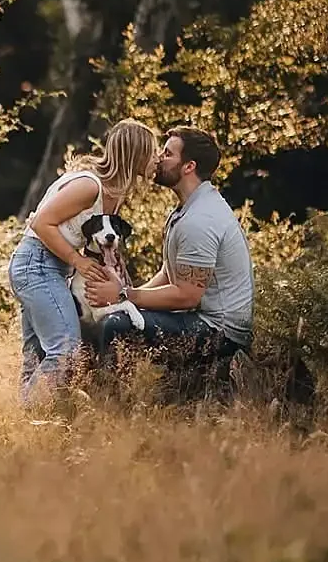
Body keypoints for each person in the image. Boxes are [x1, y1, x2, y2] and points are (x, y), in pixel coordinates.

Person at [81, 125, 253, 394]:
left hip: (218, 331)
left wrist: (124, 294)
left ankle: (105, 406)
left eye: (168, 153)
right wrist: (116, 298)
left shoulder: (200, 220)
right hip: (200, 317)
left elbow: (187, 296)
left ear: (188, 166)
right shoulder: (186, 210)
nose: (159, 158)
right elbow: (169, 273)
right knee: (106, 317)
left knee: (114, 325)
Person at [7, 119, 158, 404]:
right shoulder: (90, 186)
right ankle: (25, 419)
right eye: (151, 152)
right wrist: (78, 261)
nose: (156, 160)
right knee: (65, 351)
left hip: (52, 269)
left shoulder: (115, 194)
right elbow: (41, 223)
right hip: (36, 264)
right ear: (135, 154)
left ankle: (24, 429)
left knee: (37, 355)